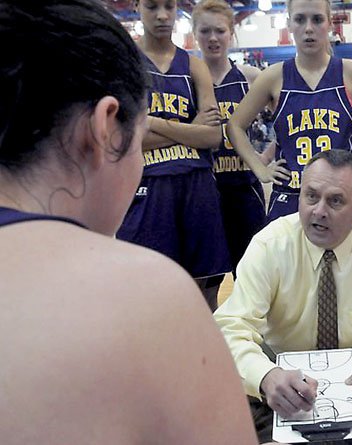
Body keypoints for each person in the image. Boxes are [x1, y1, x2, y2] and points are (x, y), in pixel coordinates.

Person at [0, 1, 258, 443]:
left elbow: (212, 135)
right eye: (138, 137)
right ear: (104, 127)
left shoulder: (191, 66)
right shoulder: (148, 292)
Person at [215, 150, 352, 443]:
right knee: (213, 397)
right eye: (311, 196)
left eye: (335, 201)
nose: (319, 211)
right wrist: (266, 377)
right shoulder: (269, 245)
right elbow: (232, 328)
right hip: (282, 368)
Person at [227, 0, 352, 223]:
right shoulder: (274, 76)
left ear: (330, 23)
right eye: (300, 19)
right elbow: (234, 125)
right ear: (289, 24)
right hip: (291, 197)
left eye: (317, 19)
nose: (309, 28)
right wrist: (260, 169)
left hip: (340, 199)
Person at [117, 0, 229, 310]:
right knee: (149, 291)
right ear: (138, 7)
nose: (163, 15)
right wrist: (186, 130)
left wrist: (152, 123)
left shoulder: (194, 65)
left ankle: (205, 355)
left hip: (197, 185)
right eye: (153, 6)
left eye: (169, 6)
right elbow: (123, 138)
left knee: (206, 290)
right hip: (148, 186)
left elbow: (211, 136)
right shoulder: (126, 62)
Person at [192, 0, 267, 278]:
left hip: (244, 190)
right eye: (205, 31)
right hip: (204, 192)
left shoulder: (250, 77)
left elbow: (287, 118)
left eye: (220, 31)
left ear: (231, 32)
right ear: (195, 33)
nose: (213, 38)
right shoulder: (188, 80)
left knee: (252, 278)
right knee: (207, 282)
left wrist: (266, 158)